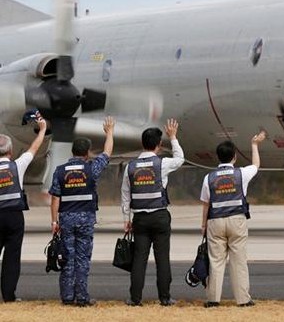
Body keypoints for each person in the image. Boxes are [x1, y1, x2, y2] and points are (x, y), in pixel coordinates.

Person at [49, 116, 115, 307]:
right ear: (87, 152)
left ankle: (67, 297)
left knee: (66, 258)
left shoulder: (60, 171)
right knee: (82, 259)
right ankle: (82, 298)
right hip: (85, 219)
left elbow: (55, 198)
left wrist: (54, 222)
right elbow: (107, 153)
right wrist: (109, 132)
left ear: (72, 151)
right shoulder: (91, 169)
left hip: (66, 219)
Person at [122, 119, 184, 307]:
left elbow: (125, 194)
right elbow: (180, 158)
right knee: (162, 258)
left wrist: (126, 218)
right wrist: (173, 137)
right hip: (160, 216)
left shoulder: (130, 167)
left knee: (139, 260)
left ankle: (135, 298)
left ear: (142, 144)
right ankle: (165, 297)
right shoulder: (161, 164)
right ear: (158, 145)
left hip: (139, 218)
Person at [200, 131, 266, 308]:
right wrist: (254, 145)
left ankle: (213, 299)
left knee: (216, 261)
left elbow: (206, 204)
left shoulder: (209, 178)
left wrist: (203, 224)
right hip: (237, 220)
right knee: (239, 261)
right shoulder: (241, 174)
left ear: (218, 158)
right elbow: (256, 165)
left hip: (215, 221)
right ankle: (243, 300)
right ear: (234, 157)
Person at [0, 111, 46, 303]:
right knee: (12, 257)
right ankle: (9, 296)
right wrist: (42, 130)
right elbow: (34, 149)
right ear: (10, 152)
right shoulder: (17, 166)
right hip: (14, 216)